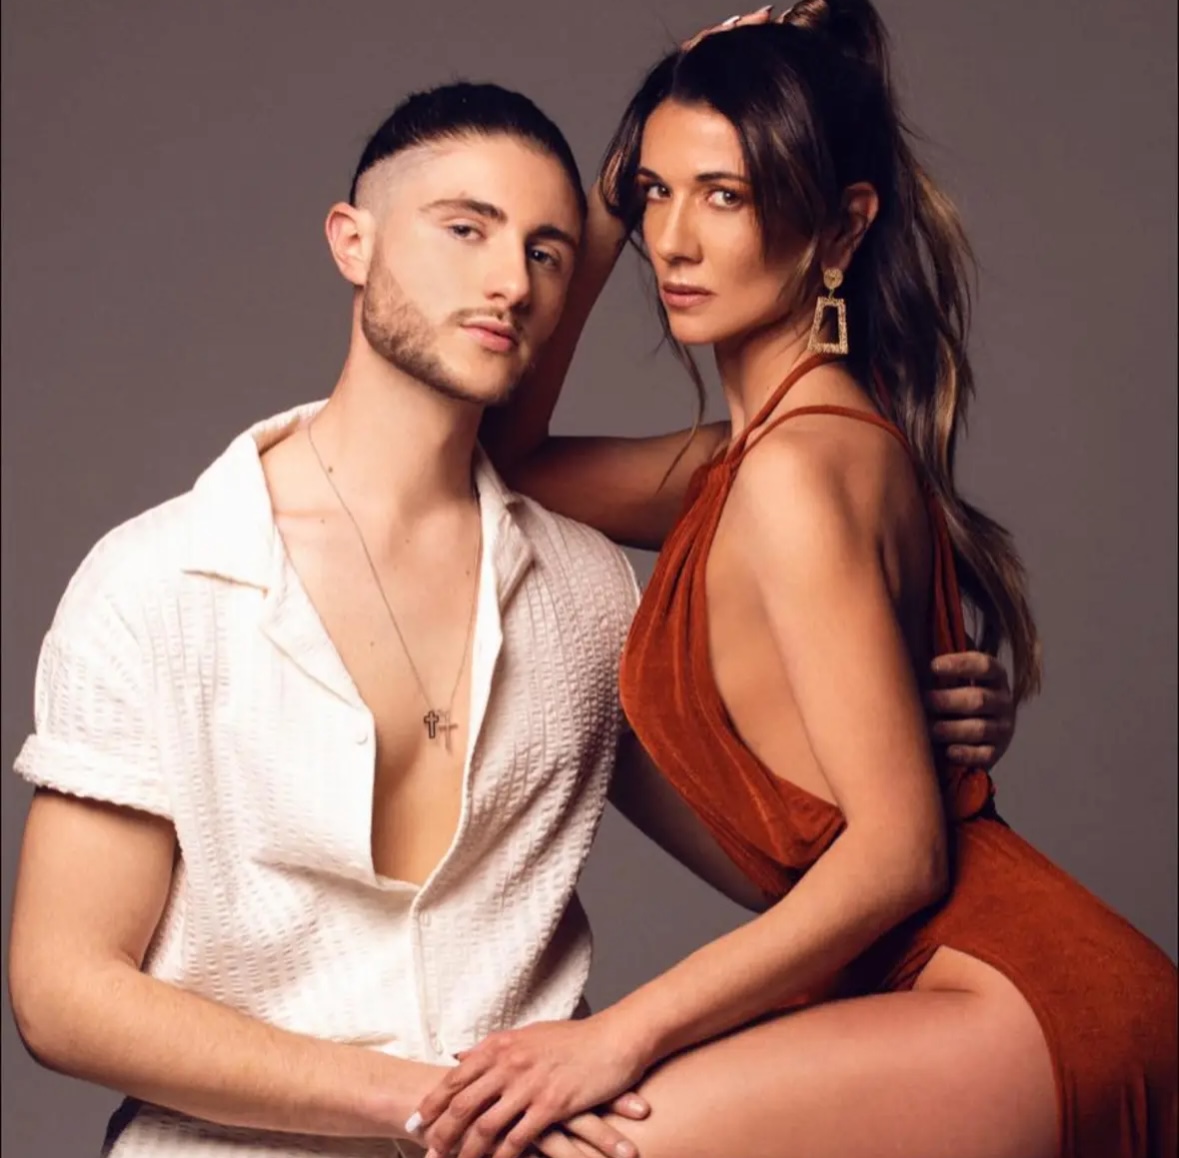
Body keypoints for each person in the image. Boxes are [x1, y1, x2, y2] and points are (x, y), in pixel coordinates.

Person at [6, 80, 1014, 1158]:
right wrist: (427, 1103)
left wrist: (901, 713)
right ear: (352, 242)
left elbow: (796, 858)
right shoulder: (162, 581)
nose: (511, 283)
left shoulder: (583, 591)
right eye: (465, 229)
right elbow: (63, 993)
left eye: (547, 252)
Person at [408, 7, 1179, 1158]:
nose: (674, 241)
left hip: (1012, 983)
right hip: (940, 977)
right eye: (657, 194)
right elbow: (502, 463)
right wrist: (611, 187)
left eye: (724, 195)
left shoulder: (794, 471)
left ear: (841, 226)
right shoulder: (757, 454)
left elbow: (901, 852)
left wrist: (617, 1035)